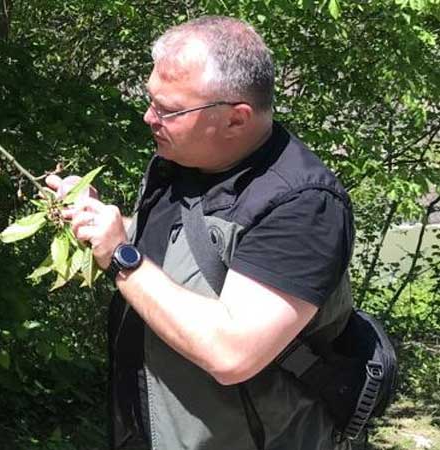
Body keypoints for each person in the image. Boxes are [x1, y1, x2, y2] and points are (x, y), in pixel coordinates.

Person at [47, 16, 355, 450]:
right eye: (150, 99)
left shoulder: (302, 205)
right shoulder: (185, 161)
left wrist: (121, 255)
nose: (148, 117)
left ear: (236, 118)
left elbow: (231, 352)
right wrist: (102, 221)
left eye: (168, 109)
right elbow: (186, 253)